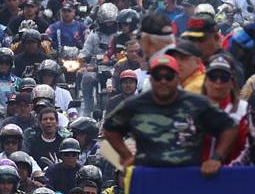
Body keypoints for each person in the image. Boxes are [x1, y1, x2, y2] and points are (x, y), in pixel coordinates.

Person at [100, 53, 239, 174]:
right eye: (157, 76)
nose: (163, 81)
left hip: (188, 177)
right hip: (148, 176)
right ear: (151, 79)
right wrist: (126, 156)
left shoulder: (196, 103)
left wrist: (216, 159)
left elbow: (230, 127)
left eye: (168, 76)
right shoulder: (135, 105)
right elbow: (110, 129)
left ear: (177, 78)